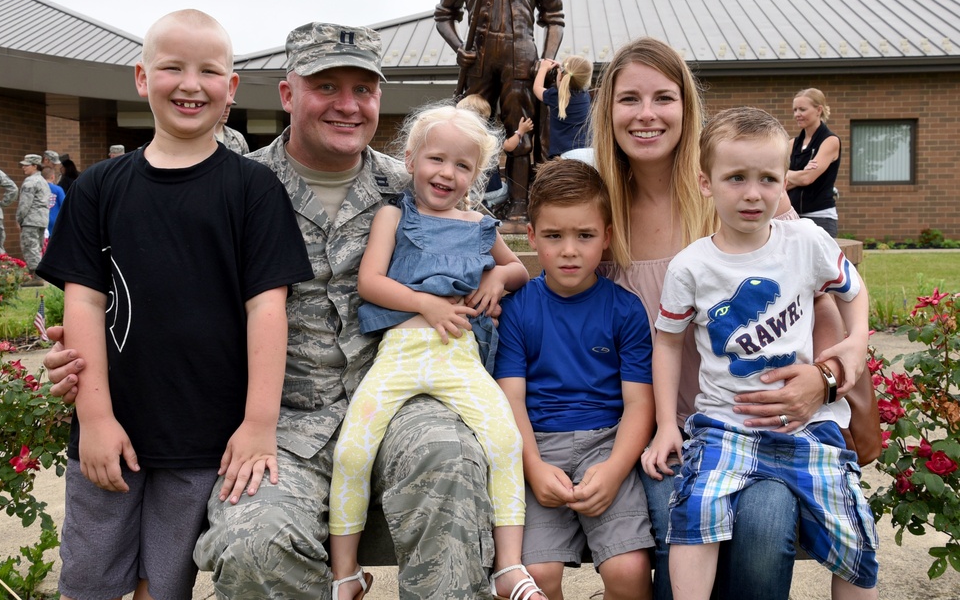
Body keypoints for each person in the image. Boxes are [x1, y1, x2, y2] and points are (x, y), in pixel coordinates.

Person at [45, 21, 511, 599]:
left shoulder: (419, 188)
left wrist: (492, 280)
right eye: (326, 87)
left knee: (451, 461)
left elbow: (490, 250)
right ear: (287, 95)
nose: (347, 105)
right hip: (281, 424)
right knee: (252, 541)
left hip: (401, 403)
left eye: (363, 90)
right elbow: (137, 285)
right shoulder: (235, 184)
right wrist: (88, 358)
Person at [36, 9, 311, 600]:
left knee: (165, 584)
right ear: (141, 78)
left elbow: (268, 308)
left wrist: (259, 424)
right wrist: (94, 417)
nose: (191, 84)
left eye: (209, 70)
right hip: (112, 429)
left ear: (231, 89)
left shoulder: (253, 190)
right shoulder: (99, 188)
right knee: (88, 578)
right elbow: (82, 302)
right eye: (172, 68)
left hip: (205, 436)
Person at [589, 37, 863, 600]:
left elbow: (817, 296)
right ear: (607, 111)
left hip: (758, 413)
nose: (646, 115)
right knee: (673, 519)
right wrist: (502, 274)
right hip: (658, 422)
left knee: (765, 524)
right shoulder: (600, 204)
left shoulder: (739, 186)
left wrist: (827, 377)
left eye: (663, 97)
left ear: (686, 107)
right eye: (629, 99)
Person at [643, 107, 877, 599]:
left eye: (769, 178)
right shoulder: (692, 266)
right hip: (725, 426)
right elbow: (667, 343)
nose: (753, 193)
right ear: (706, 183)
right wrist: (667, 424)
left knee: (853, 535)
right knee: (695, 511)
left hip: (810, 428)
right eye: (736, 178)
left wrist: (856, 340)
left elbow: (853, 290)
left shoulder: (807, 241)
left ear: (783, 183)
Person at [328, 104, 538, 600]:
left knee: (505, 444)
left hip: (459, 358)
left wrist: (494, 276)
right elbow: (370, 281)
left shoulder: (480, 223)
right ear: (411, 159)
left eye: (463, 166)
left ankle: (507, 567)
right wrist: (425, 303)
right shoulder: (393, 215)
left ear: (477, 175)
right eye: (436, 160)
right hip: (400, 355)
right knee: (354, 450)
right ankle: (346, 575)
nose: (447, 173)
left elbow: (520, 272)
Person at [495, 159, 655, 600]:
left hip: (607, 445)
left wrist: (615, 468)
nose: (569, 250)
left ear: (606, 236)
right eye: (553, 236)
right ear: (530, 237)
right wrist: (533, 466)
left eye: (584, 235)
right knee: (536, 575)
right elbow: (511, 403)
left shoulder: (625, 310)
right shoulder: (518, 309)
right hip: (538, 446)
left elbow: (641, 404)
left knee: (629, 570)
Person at [436, 0, 564, 218]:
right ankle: (467, 200)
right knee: (469, 128)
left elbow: (554, 18)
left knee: (521, 128)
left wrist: (545, 61)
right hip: (478, 60)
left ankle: (519, 206)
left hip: (520, 57)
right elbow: (444, 15)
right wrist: (458, 48)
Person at [457, 93, 533, 211]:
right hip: (493, 188)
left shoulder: (459, 138)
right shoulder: (491, 137)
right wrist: (520, 131)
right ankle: (487, 203)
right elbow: (509, 146)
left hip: (468, 189)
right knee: (506, 191)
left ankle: (474, 205)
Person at [787, 88, 840, 237]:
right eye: (795, 110)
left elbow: (806, 178)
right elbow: (777, 180)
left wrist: (792, 176)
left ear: (818, 110)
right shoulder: (792, 144)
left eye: (802, 109)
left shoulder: (830, 141)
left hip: (820, 217)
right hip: (793, 217)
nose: (797, 114)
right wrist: (800, 174)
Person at [532, 56, 593, 161]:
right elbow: (572, 74)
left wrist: (543, 68)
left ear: (560, 76)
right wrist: (562, 67)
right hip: (590, 152)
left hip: (566, 155)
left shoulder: (555, 96)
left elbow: (537, 88)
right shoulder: (585, 96)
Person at [16, 153, 50, 286]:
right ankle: (39, 274)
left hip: (30, 219)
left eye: (26, 165)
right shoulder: (43, 181)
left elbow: (25, 203)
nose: (23, 168)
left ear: (35, 166)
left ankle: (36, 276)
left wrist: (19, 218)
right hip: (42, 219)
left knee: (29, 246)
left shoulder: (30, 182)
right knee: (38, 246)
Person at [40, 166, 65, 241]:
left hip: (41, 219)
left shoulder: (39, 188)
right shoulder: (58, 189)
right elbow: (64, 205)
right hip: (55, 220)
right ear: (53, 177)